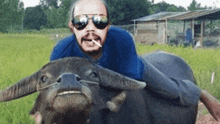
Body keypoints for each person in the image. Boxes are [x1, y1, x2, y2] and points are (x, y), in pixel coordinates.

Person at [50, 0, 220, 121]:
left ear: (108, 24)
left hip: (129, 70)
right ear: (72, 26)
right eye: (81, 22)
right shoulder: (61, 51)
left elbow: (128, 83)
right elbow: (53, 88)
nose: (90, 29)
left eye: (99, 21)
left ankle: (200, 93)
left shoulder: (122, 39)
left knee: (169, 88)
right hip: (90, 78)